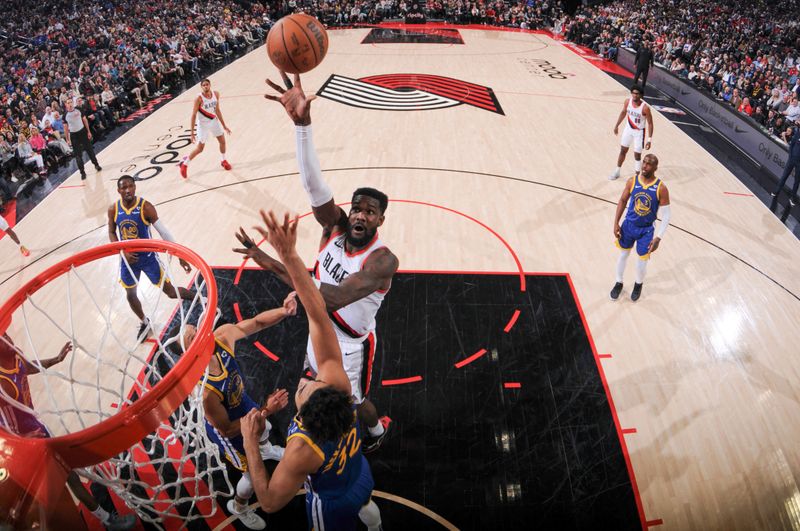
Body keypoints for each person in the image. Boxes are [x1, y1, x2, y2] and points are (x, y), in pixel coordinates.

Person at [238, 72, 398, 453]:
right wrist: (302, 127)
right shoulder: (333, 228)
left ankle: (375, 433)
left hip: (351, 343)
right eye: (357, 208)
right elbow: (314, 187)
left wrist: (291, 269)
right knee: (314, 393)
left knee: (355, 404)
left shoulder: (382, 261)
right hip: (317, 327)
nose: (359, 216)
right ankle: (319, 451)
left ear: (380, 220)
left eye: (369, 212)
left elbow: (333, 297)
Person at [239, 211, 383, 531]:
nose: (307, 381)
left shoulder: (302, 448)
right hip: (358, 471)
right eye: (314, 382)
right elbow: (317, 312)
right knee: (367, 504)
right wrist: (289, 256)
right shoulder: (338, 384)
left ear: (303, 415)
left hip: (330, 500)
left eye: (307, 388)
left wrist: (251, 443)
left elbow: (270, 502)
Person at [176, 292, 297, 530]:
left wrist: (284, 311)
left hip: (242, 404)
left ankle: (266, 449)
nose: (201, 331)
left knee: (266, 428)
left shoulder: (220, 337)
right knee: (252, 475)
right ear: (189, 351)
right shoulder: (206, 392)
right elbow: (229, 429)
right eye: (193, 335)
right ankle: (239, 506)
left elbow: (257, 322)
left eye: (196, 328)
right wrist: (266, 410)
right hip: (228, 429)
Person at [0, 329, 135, 530]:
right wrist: (21, 442)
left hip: (37, 430)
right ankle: (105, 520)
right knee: (47, 501)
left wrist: (56, 359)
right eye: (2, 339)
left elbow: (28, 367)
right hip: (22, 447)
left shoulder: (15, 353)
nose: (8, 339)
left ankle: (107, 520)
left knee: (68, 476)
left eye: (6, 334)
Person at [107, 175, 194, 341]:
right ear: (118, 190)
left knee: (170, 292)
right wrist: (121, 250)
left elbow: (164, 233)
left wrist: (180, 256)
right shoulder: (113, 209)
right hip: (127, 261)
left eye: (130, 186)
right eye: (124, 188)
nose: (127, 190)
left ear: (135, 187)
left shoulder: (145, 207)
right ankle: (145, 322)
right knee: (130, 294)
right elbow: (111, 232)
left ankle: (200, 298)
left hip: (148, 259)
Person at [609, 154, 671, 302]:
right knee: (623, 255)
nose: (644, 166)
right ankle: (618, 282)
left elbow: (667, 215)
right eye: (644, 162)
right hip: (628, 225)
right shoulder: (632, 181)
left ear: (655, 168)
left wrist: (659, 237)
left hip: (646, 230)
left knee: (642, 261)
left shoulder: (661, 188)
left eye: (649, 164)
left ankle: (638, 284)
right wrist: (616, 222)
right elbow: (623, 200)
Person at [178, 78, 232, 178]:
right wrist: (192, 133)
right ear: (201, 87)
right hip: (203, 124)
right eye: (204, 85)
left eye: (207, 84)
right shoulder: (198, 98)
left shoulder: (216, 94)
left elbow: (217, 110)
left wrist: (224, 126)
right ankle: (185, 164)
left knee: (222, 141)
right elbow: (193, 115)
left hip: (213, 121)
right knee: (200, 148)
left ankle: (223, 160)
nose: (206, 86)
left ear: (210, 85)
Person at [608, 85, 654, 180]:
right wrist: (617, 125)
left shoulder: (645, 108)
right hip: (628, 129)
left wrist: (649, 139)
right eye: (633, 93)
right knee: (623, 150)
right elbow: (623, 112)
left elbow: (650, 123)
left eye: (637, 94)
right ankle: (617, 171)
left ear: (641, 95)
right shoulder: (627, 102)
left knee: (637, 155)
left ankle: (637, 177)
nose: (634, 95)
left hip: (639, 132)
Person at [63, 98, 101, 180]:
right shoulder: (65, 115)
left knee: (89, 150)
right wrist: (67, 139)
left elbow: (85, 120)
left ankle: (96, 165)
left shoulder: (79, 109)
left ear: (73, 103)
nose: (70, 104)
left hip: (83, 132)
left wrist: (88, 131)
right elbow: (65, 128)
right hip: (74, 135)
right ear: (66, 105)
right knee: (78, 155)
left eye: (71, 102)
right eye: (68, 103)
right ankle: (82, 172)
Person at [770, 121, 800, 210]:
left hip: (799, 163)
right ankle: (776, 191)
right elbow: (792, 145)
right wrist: (790, 156)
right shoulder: (798, 132)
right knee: (784, 176)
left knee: (797, 181)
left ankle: (792, 198)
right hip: (791, 159)